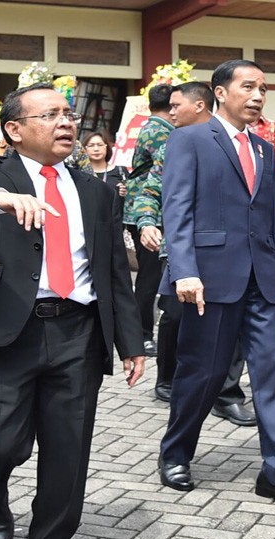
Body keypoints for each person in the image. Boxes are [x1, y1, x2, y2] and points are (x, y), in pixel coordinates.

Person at [0, 83, 146, 539]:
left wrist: (132, 343)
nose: (66, 122)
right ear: (15, 130)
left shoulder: (96, 189)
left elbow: (113, 272)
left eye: (68, 114)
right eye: (50, 116)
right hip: (10, 332)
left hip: (78, 331)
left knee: (68, 449)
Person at [159, 60, 275, 511]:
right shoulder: (190, 138)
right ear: (220, 91)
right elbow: (176, 210)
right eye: (248, 87)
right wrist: (184, 270)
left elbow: (271, 214)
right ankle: (175, 454)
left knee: (274, 377)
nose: (257, 96)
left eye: (263, 89)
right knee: (203, 374)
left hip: (264, 281)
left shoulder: (264, 148)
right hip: (209, 280)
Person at [134, 83, 257, 426]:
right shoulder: (177, 142)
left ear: (200, 105)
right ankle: (169, 378)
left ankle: (227, 393)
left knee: (235, 324)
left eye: (176, 106)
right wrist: (146, 221)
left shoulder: (245, 144)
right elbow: (151, 189)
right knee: (174, 314)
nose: (170, 112)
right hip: (183, 250)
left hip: (230, 256)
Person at [124, 84, 174, 357]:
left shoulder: (155, 126)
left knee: (150, 276)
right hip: (147, 213)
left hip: (147, 210)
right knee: (149, 278)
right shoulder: (159, 131)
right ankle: (142, 335)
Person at [83, 129, 128, 197]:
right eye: (91, 145)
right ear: (85, 149)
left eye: (100, 145)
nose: (96, 149)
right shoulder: (79, 172)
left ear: (106, 147)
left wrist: (127, 193)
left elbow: (134, 195)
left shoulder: (120, 171)